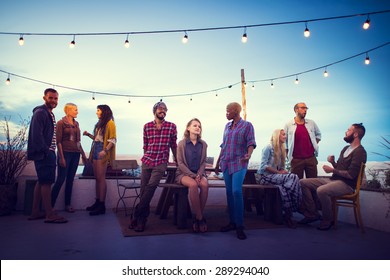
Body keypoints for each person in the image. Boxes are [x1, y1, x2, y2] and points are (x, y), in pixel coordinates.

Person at [299, 123, 367, 230]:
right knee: (302, 183)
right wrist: (333, 163)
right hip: (333, 180)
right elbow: (341, 169)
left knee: (321, 191)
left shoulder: (360, 152)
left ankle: (328, 219)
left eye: (348, 130)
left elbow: (350, 175)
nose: (346, 132)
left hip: (346, 185)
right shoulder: (345, 149)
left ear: (355, 134)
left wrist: (332, 169)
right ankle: (312, 213)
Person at [129, 101, 177, 232]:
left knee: (151, 186)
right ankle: (141, 219)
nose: (163, 111)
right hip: (147, 160)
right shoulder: (147, 126)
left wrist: (178, 161)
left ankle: (137, 215)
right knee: (143, 189)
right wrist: (146, 159)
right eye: (161, 109)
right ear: (155, 110)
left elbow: (174, 145)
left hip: (161, 161)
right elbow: (145, 145)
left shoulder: (172, 126)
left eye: (165, 109)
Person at [215, 102, 256, 240]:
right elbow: (223, 145)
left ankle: (240, 225)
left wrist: (248, 155)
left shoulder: (247, 125)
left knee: (236, 191)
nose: (226, 113)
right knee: (228, 193)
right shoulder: (227, 126)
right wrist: (217, 163)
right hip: (226, 162)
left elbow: (251, 142)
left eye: (228, 111)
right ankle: (232, 222)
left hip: (240, 162)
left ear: (236, 111)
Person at [27, 88, 67, 223]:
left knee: (42, 181)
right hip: (45, 153)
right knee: (47, 183)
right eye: (51, 98)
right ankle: (49, 214)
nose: (54, 101)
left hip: (46, 152)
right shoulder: (40, 113)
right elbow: (36, 134)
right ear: (44, 98)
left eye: (56, 98)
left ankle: (35, 212)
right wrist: (46, 150)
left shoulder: (49, 113)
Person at [257, 129, 302, 228]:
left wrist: (282, 171)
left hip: (275, 177)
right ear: (277, 136)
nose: (285, 136)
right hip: (264, 177)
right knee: (294, 177)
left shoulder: (281, 149)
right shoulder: (268, 148)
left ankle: (287, 215)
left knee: (283, 189)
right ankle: (297, 205)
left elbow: (280, 167)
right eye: (283, 135)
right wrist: (279, 173)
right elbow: (263, 166)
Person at [51, 103, 87, 213]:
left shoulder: (76, 124)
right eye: (75, 110)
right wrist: (61, 157)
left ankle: (67, 204)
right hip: (65, 153)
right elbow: (59, 142)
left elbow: (78, 141)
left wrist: (83, 155)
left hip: (75, 154)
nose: (77, 112)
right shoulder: (61, 123)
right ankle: (50, 206)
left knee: (70, 180)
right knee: (61, 179)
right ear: (68, 110)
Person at [175, 118, 209, 233]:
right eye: (195, 125)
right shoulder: (181, 144)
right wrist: (192, 175)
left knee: (204, 184)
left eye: (199, 126)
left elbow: (203, 162)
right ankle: (200, 218)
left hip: (198, 173)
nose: (197, 127)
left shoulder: (203, 144)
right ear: (188, 128)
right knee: (193, 185)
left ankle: (197, 216)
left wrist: (199, 174)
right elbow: (180, 163)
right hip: (183, 174)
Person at [83, 105, 116, 216]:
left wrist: (105, 151)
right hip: (96, 149)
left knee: (101, 178)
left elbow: (112, 140)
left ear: (104, 111)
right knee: (97, 178)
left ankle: (102, 205)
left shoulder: (110, 123)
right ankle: (97, 202)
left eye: (98, 110)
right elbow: (98, 139)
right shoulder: (99, 124)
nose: (96, 112)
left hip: (102, 150)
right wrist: (88, 135)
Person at [284, 102, 321, 179]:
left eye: (306, 108)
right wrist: (288, 155)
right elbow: (284, 141)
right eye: (303, 108)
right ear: (296, 110)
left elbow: (318, 135)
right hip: (296, 160)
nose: (305, 110)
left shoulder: (311, 123)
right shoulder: (288, 124)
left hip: (311, 158)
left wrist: (313, 145)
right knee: (296, 182)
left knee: (312, 182)